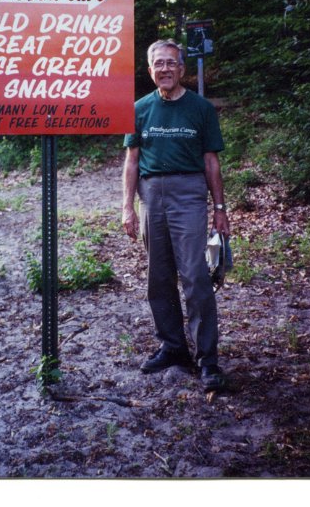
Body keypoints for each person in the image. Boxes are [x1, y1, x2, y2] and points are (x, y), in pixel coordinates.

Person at [122, 38, 230, 391]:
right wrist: (128, 207)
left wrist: (220, 209)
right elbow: (132, 160)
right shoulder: (138, 108)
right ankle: (172, 346)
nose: (165, 69)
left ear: (181, 69)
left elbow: (211, 161)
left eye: (171, 63)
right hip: (152, 195)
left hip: (189, 194)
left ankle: (207, 359)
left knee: (196, 275)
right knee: (159, 276)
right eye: (158, 64)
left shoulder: (201, 108)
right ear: (150, 70)